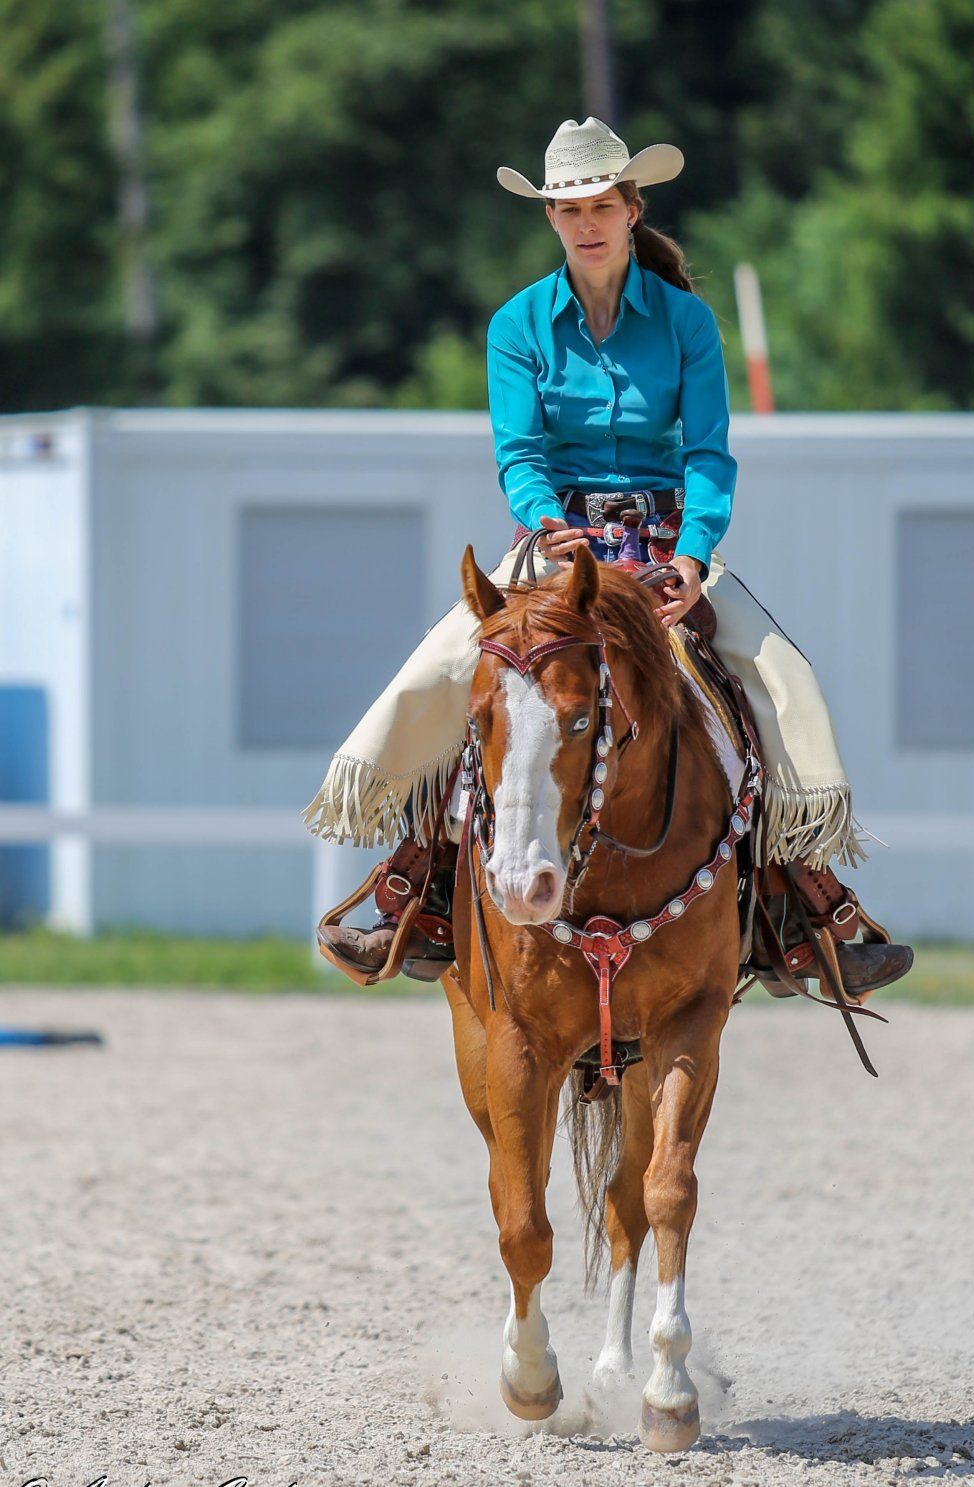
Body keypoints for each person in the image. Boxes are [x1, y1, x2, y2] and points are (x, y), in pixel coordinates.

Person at [305, 116, 913, 997]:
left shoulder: (687, 324)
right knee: (444, 672)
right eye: (567, 209)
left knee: (783, 682)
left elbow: (707, 452)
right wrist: (547, 521)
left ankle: (805, 903)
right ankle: (421, 882)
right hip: (559, 548)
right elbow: (520, 453)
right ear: (550, 219)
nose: (585, 223)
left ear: (632, 209)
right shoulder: (517, 326)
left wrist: (696, 558)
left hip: (669, 548)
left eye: (600, 205)